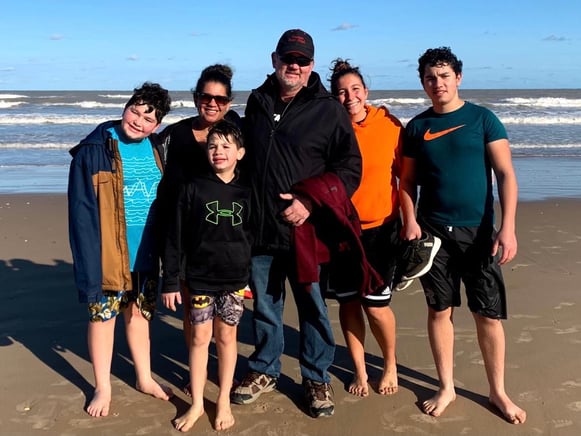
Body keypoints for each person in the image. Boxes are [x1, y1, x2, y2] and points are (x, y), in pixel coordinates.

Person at [230, 29, 362, 418]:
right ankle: (265, 369)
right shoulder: (257, 101)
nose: (294, 65)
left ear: (311, 67)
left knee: (313, 307)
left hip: (307, 231)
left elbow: (350, 168)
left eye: (302, 61)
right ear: (274, 59)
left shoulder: (329, 109)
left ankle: (316, 375)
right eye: (288, 58)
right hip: (259, 229)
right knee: (267, 308)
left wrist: (309, 200)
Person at [399, 46, 527, 424]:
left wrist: (508, 227)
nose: (437, 83)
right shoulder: (418, 127)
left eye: (443, 76)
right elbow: (406, 182)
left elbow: (505, 174)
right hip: (433, 232)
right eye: (429, 78)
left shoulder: (483, 120)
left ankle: (498, 392)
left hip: (480, 231)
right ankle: (446, 387)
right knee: (439, 309)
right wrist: (410, 220)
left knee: (487, 314)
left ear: (458, 77)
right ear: (422, 84)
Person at [67, 82, 173, 417]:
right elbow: (81, 215)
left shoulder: (158, 148)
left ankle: (143, 376)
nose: (139, 121)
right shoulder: (94, 149)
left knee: (139, 315)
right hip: (108, 253)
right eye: (136, 111)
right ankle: (102, 386)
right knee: (103, 318)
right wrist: (88, 267)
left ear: (157, 126)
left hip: (146, 251)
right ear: (125, 108)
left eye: (149, 118)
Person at [157, 64, 241, 394]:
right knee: (194, 316)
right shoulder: (174, 135)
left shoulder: (235, 133)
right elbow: (147, 162)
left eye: (220, 99)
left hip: (223, 241)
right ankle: (197, 373)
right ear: (196, 98)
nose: (212, 103)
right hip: (186, 237)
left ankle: (221, 371)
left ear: (229, 103)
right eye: (206, 97)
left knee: (225, 321)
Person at [163, 120, 251, 432]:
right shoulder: (192, 188)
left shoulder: (246, 191)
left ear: (240, 153)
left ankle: (224, 399)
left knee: (227, 338)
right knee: (200, 338)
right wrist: (171, 280)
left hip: (234, 280)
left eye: (226, 146)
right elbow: (174, 237)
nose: (219, 151)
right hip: (199, 277)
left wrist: (249, 275)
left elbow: (252, 236)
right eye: (213, 146)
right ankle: (198, 402)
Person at [328, 58, 403, 397]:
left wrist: (412, 220)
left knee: (376, 304)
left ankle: (389, 365)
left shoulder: (388, 124)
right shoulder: (331, 129)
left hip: (381, 229)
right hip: (341, 229)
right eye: (342, 92)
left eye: (355, 89)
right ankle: (359, 370)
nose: (350, 97)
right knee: (348, 303)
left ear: (366, 91)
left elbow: (407, 177)